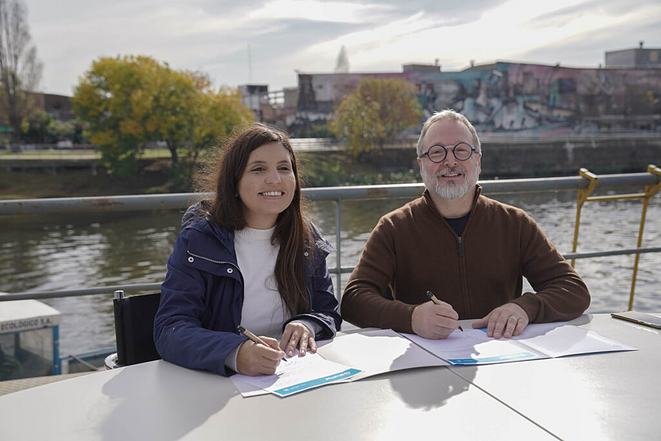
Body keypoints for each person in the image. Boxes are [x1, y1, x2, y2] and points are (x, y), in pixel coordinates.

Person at [341, 110, 590, 340]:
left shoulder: (514, 223)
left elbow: (574, 290)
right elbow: (353, 300)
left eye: (461, 150)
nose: (450, 161)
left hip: (502, 355)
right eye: (436, 152)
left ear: (478, 161)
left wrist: (524, 308)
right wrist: (411, 318)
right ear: (421, 165)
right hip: (424, 361)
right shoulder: (393, 228)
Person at [154, 123, 341, 377]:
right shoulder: (198, 240)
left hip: (294, 377)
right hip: (219, 385)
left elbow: (327, 311)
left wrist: (307, 324)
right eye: (258, 169)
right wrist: (235, 353)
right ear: (233, 182)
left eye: (284, 168)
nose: (275, 179)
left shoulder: (306, 238)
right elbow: (170, 329)